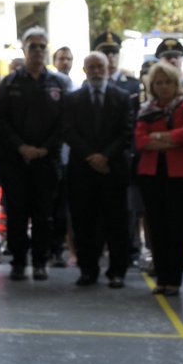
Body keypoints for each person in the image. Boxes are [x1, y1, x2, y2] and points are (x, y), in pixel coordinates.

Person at [0, 27, 69, 281]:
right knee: (16, 212)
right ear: (24, 49)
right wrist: (21, 147)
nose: (37, 51)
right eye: (32, 46)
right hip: (15, 159)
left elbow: (64, 123)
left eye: (42, 46)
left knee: (43, 214)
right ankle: (18, 261)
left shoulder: (57, 83)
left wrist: (45, 148)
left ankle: (39, 261)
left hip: (47, 160)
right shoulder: (10, 82)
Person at [62, 52, 135, 287]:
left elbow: (126, 131)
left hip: (113, 170)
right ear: (84, 70)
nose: (95, 71)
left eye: (99, 67)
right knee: (84, 222)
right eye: (91, 67)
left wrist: (105, 157)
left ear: (107, 68)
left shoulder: (122, 97)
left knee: (116, 222)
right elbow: (69, 131)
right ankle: (87, 270)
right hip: (82, 170)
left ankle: (117, 272)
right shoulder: (73, 99)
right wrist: (91, 157)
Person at [134, 61, 183, 296]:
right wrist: (171, 140)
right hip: (151, 174)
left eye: (168, 82)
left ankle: (174, 279)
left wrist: (159, 137)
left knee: (177, 227)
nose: (163, 87)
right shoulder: (146, 109)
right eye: (158, 83)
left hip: (180, 174)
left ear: (176, 83)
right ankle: (161, 277)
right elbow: (141, 141)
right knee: (157, 227)